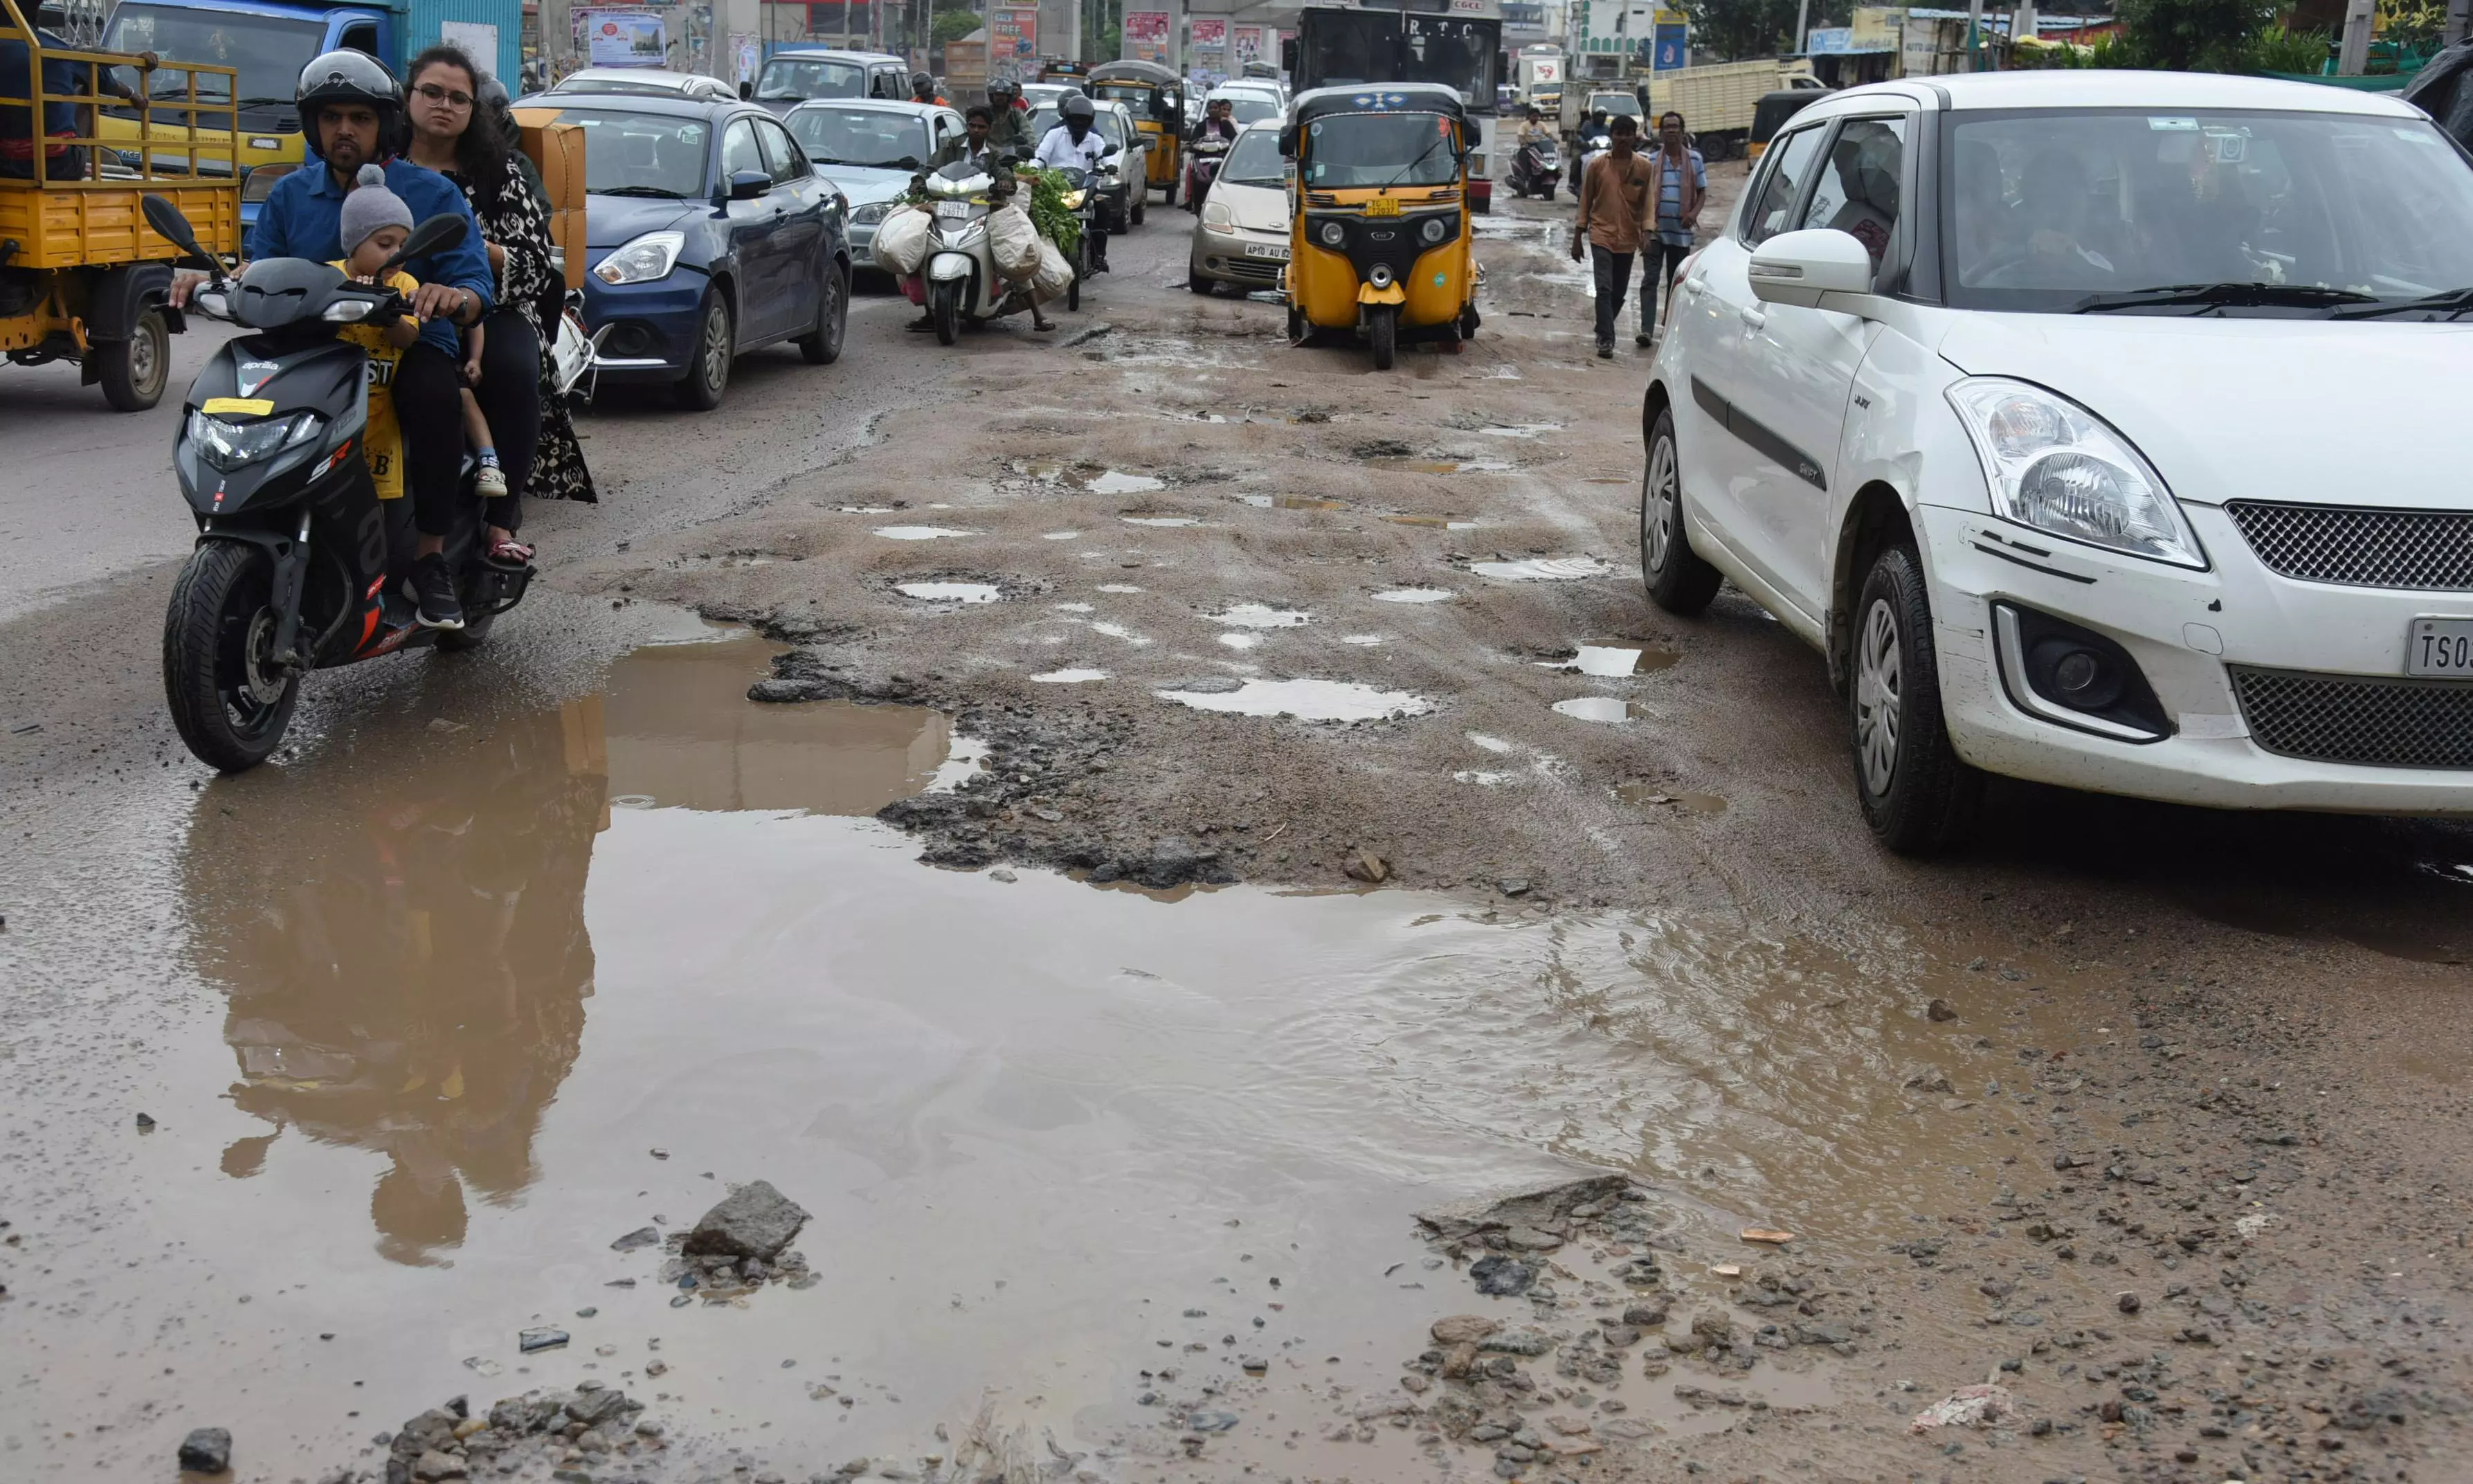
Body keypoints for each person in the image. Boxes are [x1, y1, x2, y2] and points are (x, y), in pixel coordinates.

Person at [176, 51, 493, 628]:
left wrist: (454, 298)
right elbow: (261, 270)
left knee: (431, 396)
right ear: (313, 126)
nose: (344, 129)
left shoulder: (433, 196)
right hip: (314, 347)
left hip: (406, 346)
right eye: (331, 117)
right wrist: (219, 279)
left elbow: (475, 281)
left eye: (359, 118)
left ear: (385, 125)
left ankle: (428, 560)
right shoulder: (290, 195)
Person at [403, 45, 591, 561]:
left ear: (473, 111)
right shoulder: (381, 166)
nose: (443, 105)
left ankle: (499, 523)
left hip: (493, 308)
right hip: (398, 306)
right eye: (432, 93)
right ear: (409, 96)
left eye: (458, 98)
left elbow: (537, 266)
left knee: (511, 370)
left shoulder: (501, 173)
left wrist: (480, 256)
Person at [329, 168, 423, 504]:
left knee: (373, 503)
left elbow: (406, 339)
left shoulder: (405, 285)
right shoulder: (327, 276)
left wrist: (383, 310)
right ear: (353, 244)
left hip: (379, 415)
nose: (397, 254)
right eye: (385, 244)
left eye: (403, 245)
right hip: (331, 408)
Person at [1570, 112, 1654, 359]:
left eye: (1629, 133)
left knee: (1619, 293)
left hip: (1628, 238)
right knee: (1604, 288)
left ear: (1635, 137)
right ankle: (1606, 340)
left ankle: (1602, 326)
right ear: (1612, 136)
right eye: (1619, 133)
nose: (1624, 138)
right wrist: (1578, 238)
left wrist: (1647, 233)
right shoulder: (1597, 166)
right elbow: (1585, 201)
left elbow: (1648, 203)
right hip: (1601, 234)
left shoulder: (1644, 167)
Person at [1636, 111, 1704, 347]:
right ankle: (1646, 330)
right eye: (1667, 127)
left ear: (1682, 131)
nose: (1672, 131)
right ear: (1661, 133)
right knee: (1650, 280)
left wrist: (1693, 214)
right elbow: (1643, 194)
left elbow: (1702, 192)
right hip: (1654, 229)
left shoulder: (1695, 160)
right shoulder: (1651, 160)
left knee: (1675, 284)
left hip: (1681, 234)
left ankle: (1669, 329)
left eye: (1676, 127)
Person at [1035, 93, 1110, 271]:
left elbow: (1106, 155)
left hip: (1086, 189)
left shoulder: (1095, 138)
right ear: (1067, 118)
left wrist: (1111, 165)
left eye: (1083, 120)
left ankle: (1099, 255)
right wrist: (1034, 168)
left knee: (1103, 209)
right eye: (1075, 119)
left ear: (1090, 121)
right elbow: (1040, 156)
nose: (1079, 124)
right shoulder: (1054, 135)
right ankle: (1037, 255)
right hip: (1056, 188)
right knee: (1036, 212)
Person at [930, 104, 998, 170]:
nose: (976, 130)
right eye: (972, 126)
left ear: (990, 129)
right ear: (967, 126)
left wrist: (1004, 180)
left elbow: (1003, 171)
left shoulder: (994, 155)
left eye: (981, 127)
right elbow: (930, 168)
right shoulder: (951, 147)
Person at [986, 78, 1032, 156]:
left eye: (1003, 95)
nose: (1000, 98)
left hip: (1011, 153)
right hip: (988, 153)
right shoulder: (985, 113)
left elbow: (1027, 130)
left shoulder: (1016, 114)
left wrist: (1033, 147)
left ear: (1008, 96)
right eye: (997, 95)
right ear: (992, 96)